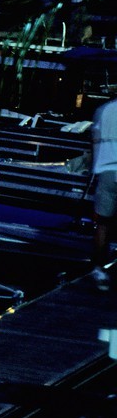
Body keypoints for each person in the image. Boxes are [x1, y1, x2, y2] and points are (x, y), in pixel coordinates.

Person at [91, 97, 117, 290]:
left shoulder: (103, 110)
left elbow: (94, 140)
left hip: (106, 169)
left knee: (102, 224)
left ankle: (99, 269)